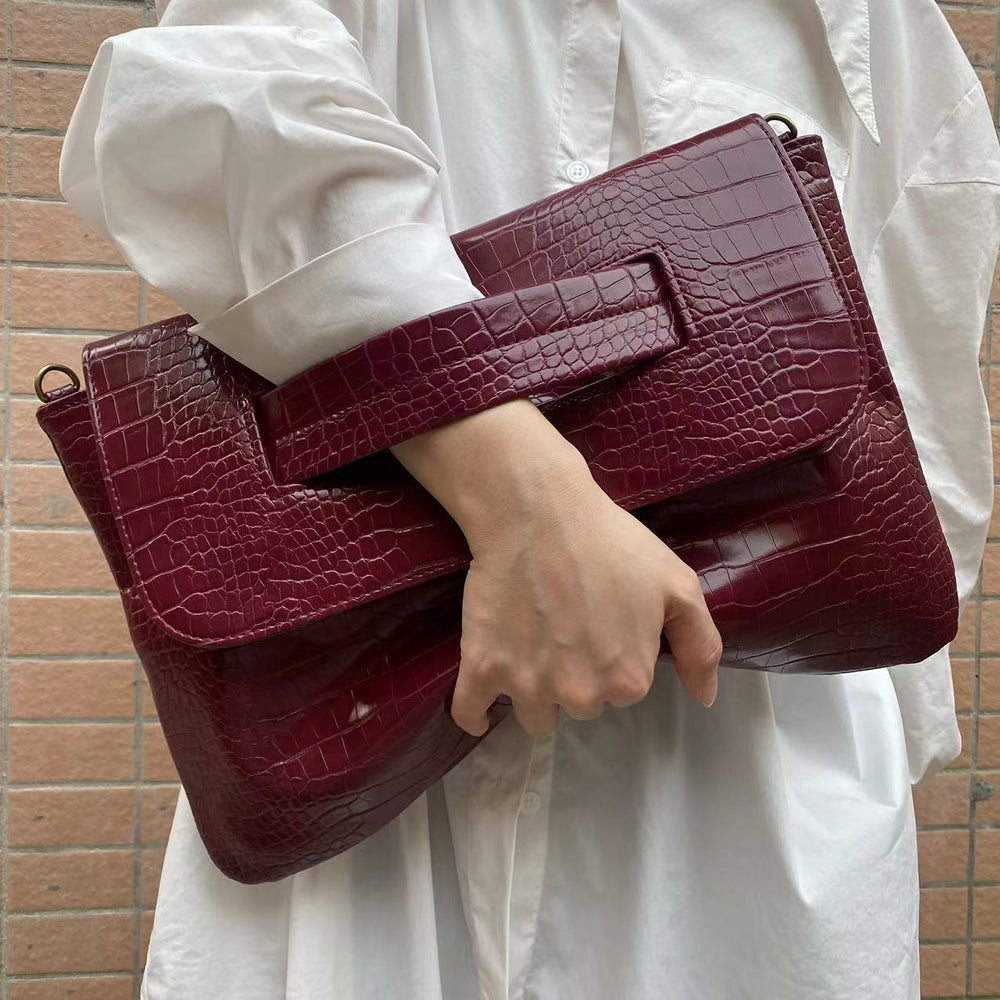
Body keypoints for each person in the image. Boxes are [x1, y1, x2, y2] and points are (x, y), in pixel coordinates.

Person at [58, 1, 1000, 997]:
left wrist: (887, 709)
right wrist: (523, 500)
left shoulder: (871, 18)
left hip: (741, 749)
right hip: (372, 749)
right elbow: (202, 100)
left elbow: (909, 362)